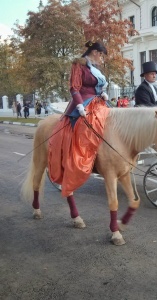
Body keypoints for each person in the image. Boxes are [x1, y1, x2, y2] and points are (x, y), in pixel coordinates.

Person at [48, 40, 110, 197]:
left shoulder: (95, 68)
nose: (102, 59)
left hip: (97, 101)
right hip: (83, 102)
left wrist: (101, 93)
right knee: (88, 126)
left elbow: (97, 86)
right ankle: (81, 156)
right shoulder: (79, 65)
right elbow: (74, 88)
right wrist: (80, 105)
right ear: (95, 52)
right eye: (101, 55)